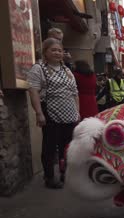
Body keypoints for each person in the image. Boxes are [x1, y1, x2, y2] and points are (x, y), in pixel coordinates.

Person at [27, 38, 80, 189]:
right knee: (50, 146)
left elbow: (75, 93)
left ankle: (66, 173)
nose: (57, 53)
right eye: (53, 50)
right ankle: (49, 177)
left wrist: (77, 111)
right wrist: (38, 113)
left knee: (67, 146)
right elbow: (34, 91)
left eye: (59, 50)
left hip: (69, 112)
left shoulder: (67, 70)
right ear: (45, 52)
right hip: (50, 111)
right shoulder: (39, 68)